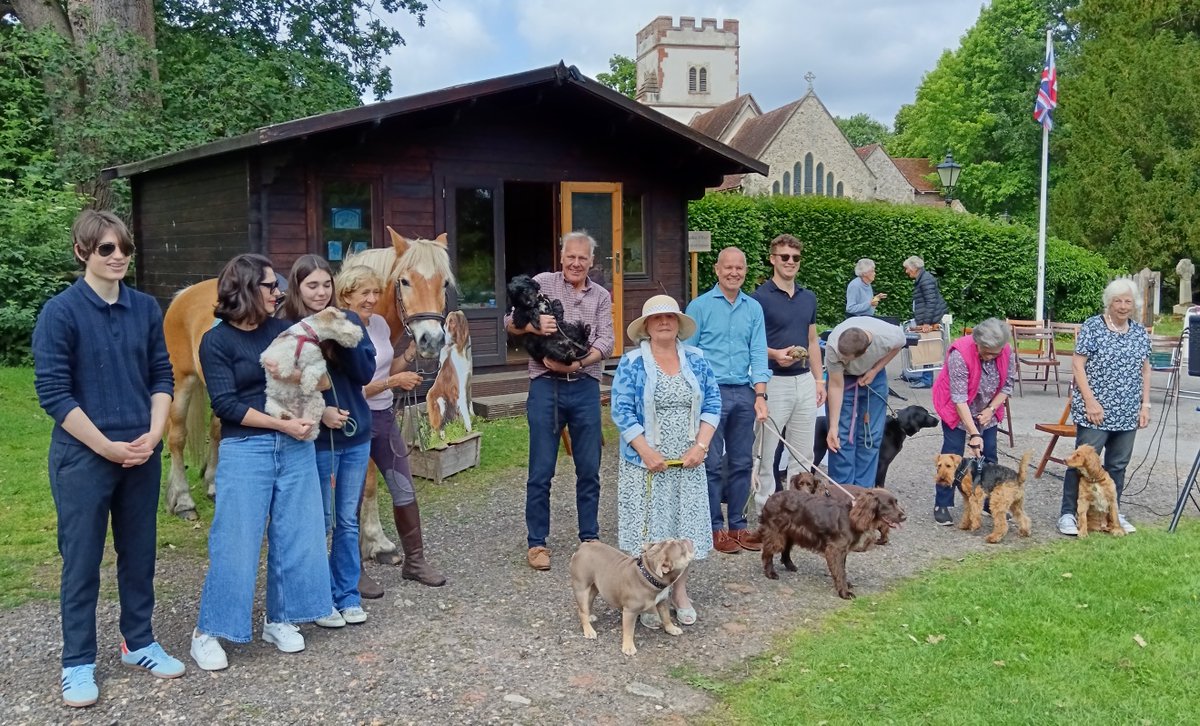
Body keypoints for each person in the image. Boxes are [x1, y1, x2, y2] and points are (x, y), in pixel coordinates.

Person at [32, 210, 184, 707]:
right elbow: (54, 393)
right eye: (106, 249)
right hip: (84, 458)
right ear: (82, 252)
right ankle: (77, 663)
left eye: (124, 248)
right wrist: (106, 446)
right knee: (81, 562)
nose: (118, 257)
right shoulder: (60, 313)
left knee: (139, 555)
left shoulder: (145, 308)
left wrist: (154, 434)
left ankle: (138, 643)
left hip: (141, 452)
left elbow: (161, 375)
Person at [190, 253, 333, 671]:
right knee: (236, 541)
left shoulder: (283, 331)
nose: (279, 293)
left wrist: (298, 384)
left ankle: (280, 618)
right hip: (247, 448)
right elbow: (225, 405)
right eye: (272, 286)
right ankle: (208, 632)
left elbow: (321, 379)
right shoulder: (216, 341)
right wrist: (281, 424)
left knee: (297, 534)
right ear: (248, 289)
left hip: (295, 446)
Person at [505, 231, 614, 571]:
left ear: (591, 262)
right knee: (541, 469)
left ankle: (590, 539)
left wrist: (578, 364)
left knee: (589, 469)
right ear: (562, 256)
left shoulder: (601, 296)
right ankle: (537, 543)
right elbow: (510, 322)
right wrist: (534, 328)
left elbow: (607, 341)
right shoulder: (542, 283)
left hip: (584, 386)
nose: (576, 263)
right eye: (571, 257)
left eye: (582, 258)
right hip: (545, 386)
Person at [279, 255, 378, 624]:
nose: (320, 292)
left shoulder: (347, 319)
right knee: (320, 521)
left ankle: (347, 595)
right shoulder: (287, 327)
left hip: (355, 434)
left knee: (347, 520)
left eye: (325, 285)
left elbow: (365, 373)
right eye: (312, 286)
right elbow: (279, 385)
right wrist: (320, 411)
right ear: (298, 288)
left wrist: (341, 334)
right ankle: (318, 598)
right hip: (316, 439)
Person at [611, 295, 720, 627]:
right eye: (656, 318)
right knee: (651, 531)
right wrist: (645, 450)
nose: (663, 322)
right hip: (645, 463)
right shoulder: (632, 363)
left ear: (678, 324)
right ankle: (648, 596)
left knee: (682, 530)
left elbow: (713, 403)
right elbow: (621, 410)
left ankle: (679, 593)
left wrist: (701, 446)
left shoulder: (697, 360)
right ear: (646, 326)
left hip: (688, 462)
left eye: (670, 317)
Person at [342, 264, 446, 586]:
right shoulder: (341, 331)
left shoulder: (378, 325)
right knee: (351, 498)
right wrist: (392, 383)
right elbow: (349, 390)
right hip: (354, 422)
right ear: (346, 296)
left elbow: (387, 368)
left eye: (376, 292)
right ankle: (352, 572)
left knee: (403, 488)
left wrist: (410, 356)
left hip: (384, 418)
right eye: (364, 293)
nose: (372, 299)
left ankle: (415, 562)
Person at [685, 246, 770, 554]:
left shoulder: (754, 308)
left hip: (744, 393)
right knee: (710, 463)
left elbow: (758, 352)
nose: (734, 272)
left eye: (739, 268)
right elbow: (689, 355)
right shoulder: (699, 306)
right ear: (717, 270)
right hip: (712, 393)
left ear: (745, 271)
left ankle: (738, 525)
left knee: (742, 461)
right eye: (728, 267)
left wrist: (760, 394)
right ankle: (713, 528)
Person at [1058, 279, 1151, 536]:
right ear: (1109, 303)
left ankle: (1112, 513)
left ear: (1134, 305)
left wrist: (1145, 405)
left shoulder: (1139, 332)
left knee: (1118, 465)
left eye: (1128, 301)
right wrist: (1090, 401)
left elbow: (1145, 369)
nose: (1123, 306)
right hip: (1095, 411)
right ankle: (1068, 513)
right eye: (1117, 301)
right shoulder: (1093, 326)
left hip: (1128, 411)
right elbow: (1077, 365)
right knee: (1082, 463)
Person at [751, 234, 825, 516]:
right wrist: (774, 354)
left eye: (795, 257)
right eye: (784, 257)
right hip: (772, 381)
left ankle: (798, 511)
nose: (790, 262)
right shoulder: (759, 298)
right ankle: (766, 511)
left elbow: (813, 340)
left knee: (803, 452)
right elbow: (752, 344)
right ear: (773, 259)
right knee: (766, 451)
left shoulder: (808, 297)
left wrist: (819, 379)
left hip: (804, 380)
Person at [930, 318, 1016, 525]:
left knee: (990, 455)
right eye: (985, 352)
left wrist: (990, 410)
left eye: (994, 353)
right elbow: (959, 399)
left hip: (988, 407)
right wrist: (974, 434)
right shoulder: (960, 354)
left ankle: (987, 502)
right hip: (956, 407)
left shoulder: (1006, 351)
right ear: (977, 342)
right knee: (951, 456)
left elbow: (1007, 385)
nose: (989, 357)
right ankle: (942, 504)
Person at [824, 317, 906, 487]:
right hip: (843, 381)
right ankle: (842, 491)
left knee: (870, 437)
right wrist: (833, 427)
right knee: (841, 437)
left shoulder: (888, 336)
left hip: (874, 377)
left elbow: (900, 344)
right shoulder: (833, 346)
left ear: (865, 352)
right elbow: (836, 386)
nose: (843, 361)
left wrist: (875, 370)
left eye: (847, 359)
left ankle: (863, 492)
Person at [903, 256, 948, 388]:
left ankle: (926, 379)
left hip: (931, 319)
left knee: (927, 347)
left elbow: (930, 302)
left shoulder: (925, 280)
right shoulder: (923, 278)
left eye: (907, 268)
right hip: (929, 317)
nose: (906, 271)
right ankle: (924, 376)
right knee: (926, 346)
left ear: (914, 268)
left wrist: (927, 322)